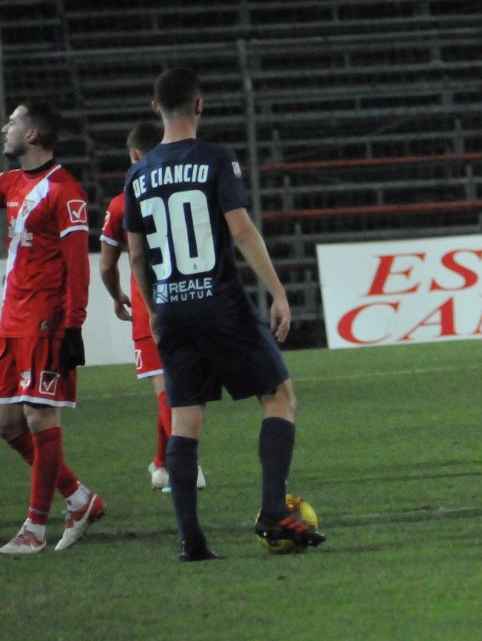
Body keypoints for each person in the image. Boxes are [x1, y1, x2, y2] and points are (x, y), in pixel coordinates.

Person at [125, 68, 323, 561]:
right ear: (200, 106)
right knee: (279, 396)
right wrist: (278, 293)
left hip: (171, 307)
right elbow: (241, 231)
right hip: (220, 303)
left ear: (155, 108)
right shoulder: (215, 158)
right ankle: (273, 511)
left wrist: (154, 310)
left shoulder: (137, 174)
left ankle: (190, 540)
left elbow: (137, 255)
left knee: (185, 419)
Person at [0, 102, 105, 555]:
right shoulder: (11, 183)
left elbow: (78, 265)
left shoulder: (65, 192)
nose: (5, 128)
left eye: (12, 123)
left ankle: (35, 528)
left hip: (45, 322)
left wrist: (74, 325)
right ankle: (79, 499)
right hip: (10, 320)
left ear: (33, 135)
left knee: (40, 417)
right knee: (7, 423)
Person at [99, 120, 205, 492]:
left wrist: (116, 296)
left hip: (151, 307)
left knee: (166, 389)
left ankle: (187, 467)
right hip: (192, 295)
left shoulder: (121, 203)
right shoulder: (185, 191)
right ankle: (162, 464)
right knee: (183, 387)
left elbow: (107, 265)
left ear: (133, 155)